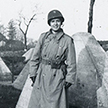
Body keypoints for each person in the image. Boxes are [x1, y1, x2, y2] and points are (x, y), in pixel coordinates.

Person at [28, 9, 76, 108]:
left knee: (55, 104)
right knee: (38, 103)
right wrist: (33, 74)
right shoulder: (43, 37)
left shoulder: (67, 40)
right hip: (42, 74)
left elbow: (72, 62)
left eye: (58, 21)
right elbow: (35, 57)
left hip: (57, 76)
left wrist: (69, 79)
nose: (55, 24)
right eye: (53, 21)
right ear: (49, 23)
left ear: (61, 23)